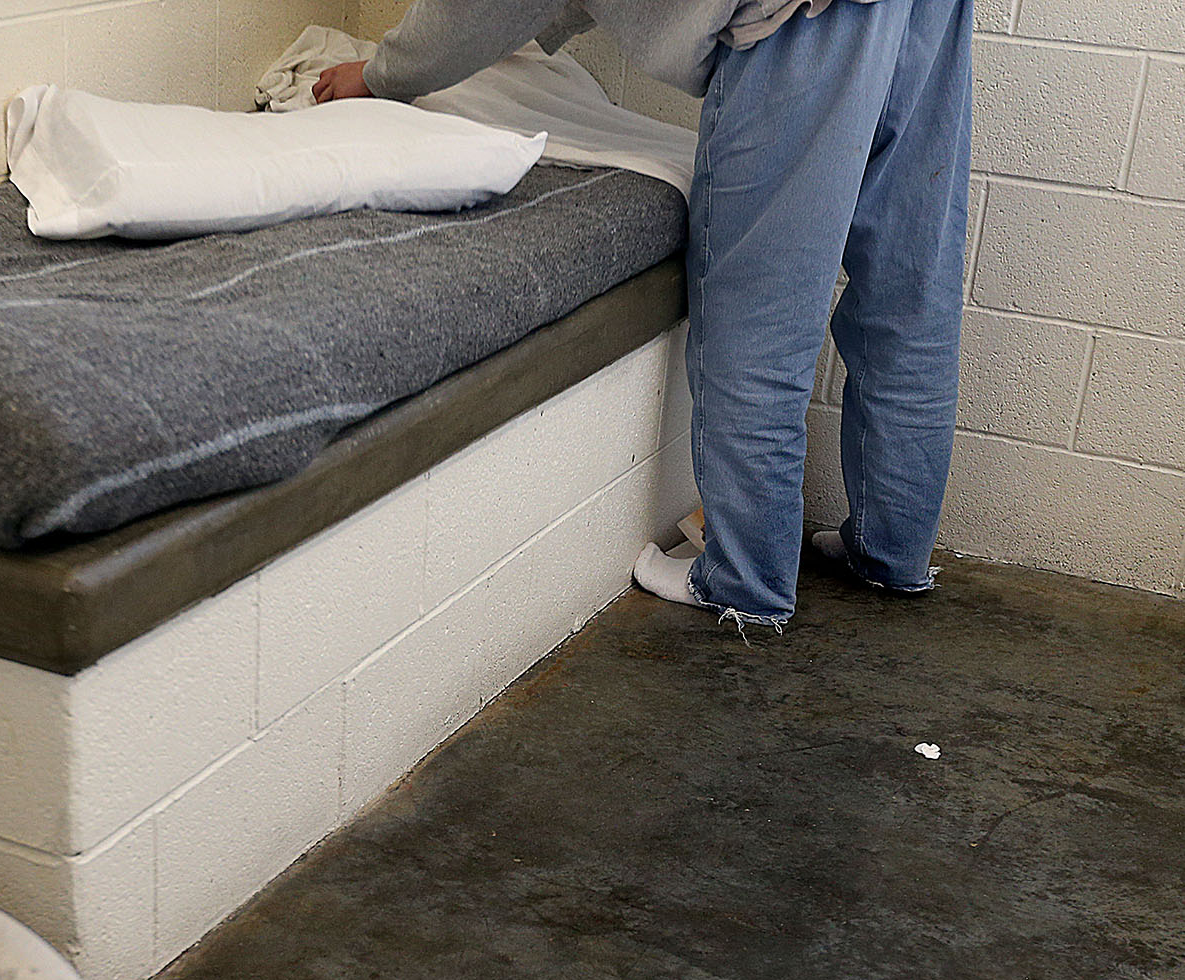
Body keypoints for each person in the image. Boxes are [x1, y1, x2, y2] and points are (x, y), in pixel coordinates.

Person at [316, 0, 971, 630]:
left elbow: (482, 7)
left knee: (757, 318)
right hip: (926, 12)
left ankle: (744, 579)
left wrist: (381, 76)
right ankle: (892, 550)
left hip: (807, 21)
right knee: (908, 293)